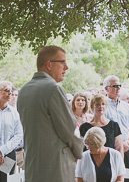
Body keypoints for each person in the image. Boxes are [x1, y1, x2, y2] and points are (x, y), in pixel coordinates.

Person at [17, 44, 83, 182]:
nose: (66, 67)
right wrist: (79, 151)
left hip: (33, 165)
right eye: (63, 62)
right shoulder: (53, 89)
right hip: (56, 167)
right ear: (49, 64)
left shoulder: (24, 90)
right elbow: (70, 129)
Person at [103, 76, 129, 181]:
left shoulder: (126, 106)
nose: (117, 88)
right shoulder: (103, 107)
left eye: (119, 86)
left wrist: (128, 142)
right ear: (106, 89)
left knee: (128, 178)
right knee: (112, 177)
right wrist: (117, 144)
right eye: (114, 86)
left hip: (127, 148)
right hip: (110, 149)